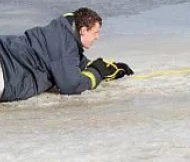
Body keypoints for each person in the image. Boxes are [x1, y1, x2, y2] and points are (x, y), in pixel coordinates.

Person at [0, 8, 133, 102]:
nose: (97, 37)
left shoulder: (62, 34)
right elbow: (71, 85)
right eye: (95, 32)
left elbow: (73, 63)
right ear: (83, 31)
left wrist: (109, 69)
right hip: (5, 70)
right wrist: (97, 72)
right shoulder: (65, 45)